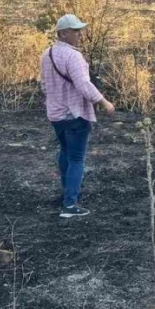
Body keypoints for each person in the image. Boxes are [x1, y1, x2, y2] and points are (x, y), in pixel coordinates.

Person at [40, 13, 115, 218]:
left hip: (55, 114)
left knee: (65, 152)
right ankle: (70, 205)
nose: (79, 34)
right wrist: (103, 102)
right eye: (75, 30)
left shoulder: (46, 54)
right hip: (75, 114)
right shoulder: (73, 56)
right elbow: (83, 84)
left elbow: (44, 85)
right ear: (63, 33)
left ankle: (66, 195)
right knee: (77, 158)